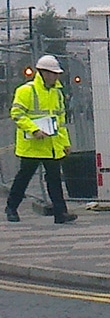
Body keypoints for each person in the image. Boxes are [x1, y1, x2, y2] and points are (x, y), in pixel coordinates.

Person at [5, 55, 78, 224]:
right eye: (53, 73)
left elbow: (60, 122)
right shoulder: (26, 91)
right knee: (24, 178)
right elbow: (16, 114)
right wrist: (34, 130)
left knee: (54, 179)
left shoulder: (57, 94)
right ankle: (11, 208)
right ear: (43, 73)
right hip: (32, 145)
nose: (56, 76)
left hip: (51, 145)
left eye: (57, 73)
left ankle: (60, 214)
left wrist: (65, 143)